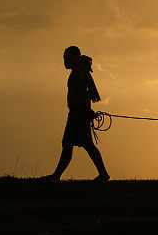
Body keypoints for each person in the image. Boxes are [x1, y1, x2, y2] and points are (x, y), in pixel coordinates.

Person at [41, 45, 110, 181]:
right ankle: (103, 174)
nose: (65, 61)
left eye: (66, 58)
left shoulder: (77, 74)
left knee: (69, 143)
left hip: (77, 114)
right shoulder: (79, 72)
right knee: (84, 144)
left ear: (72, 58)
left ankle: (56, 176)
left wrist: (87, 111)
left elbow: (81, 96)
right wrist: (88, 112)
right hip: (80, 113)